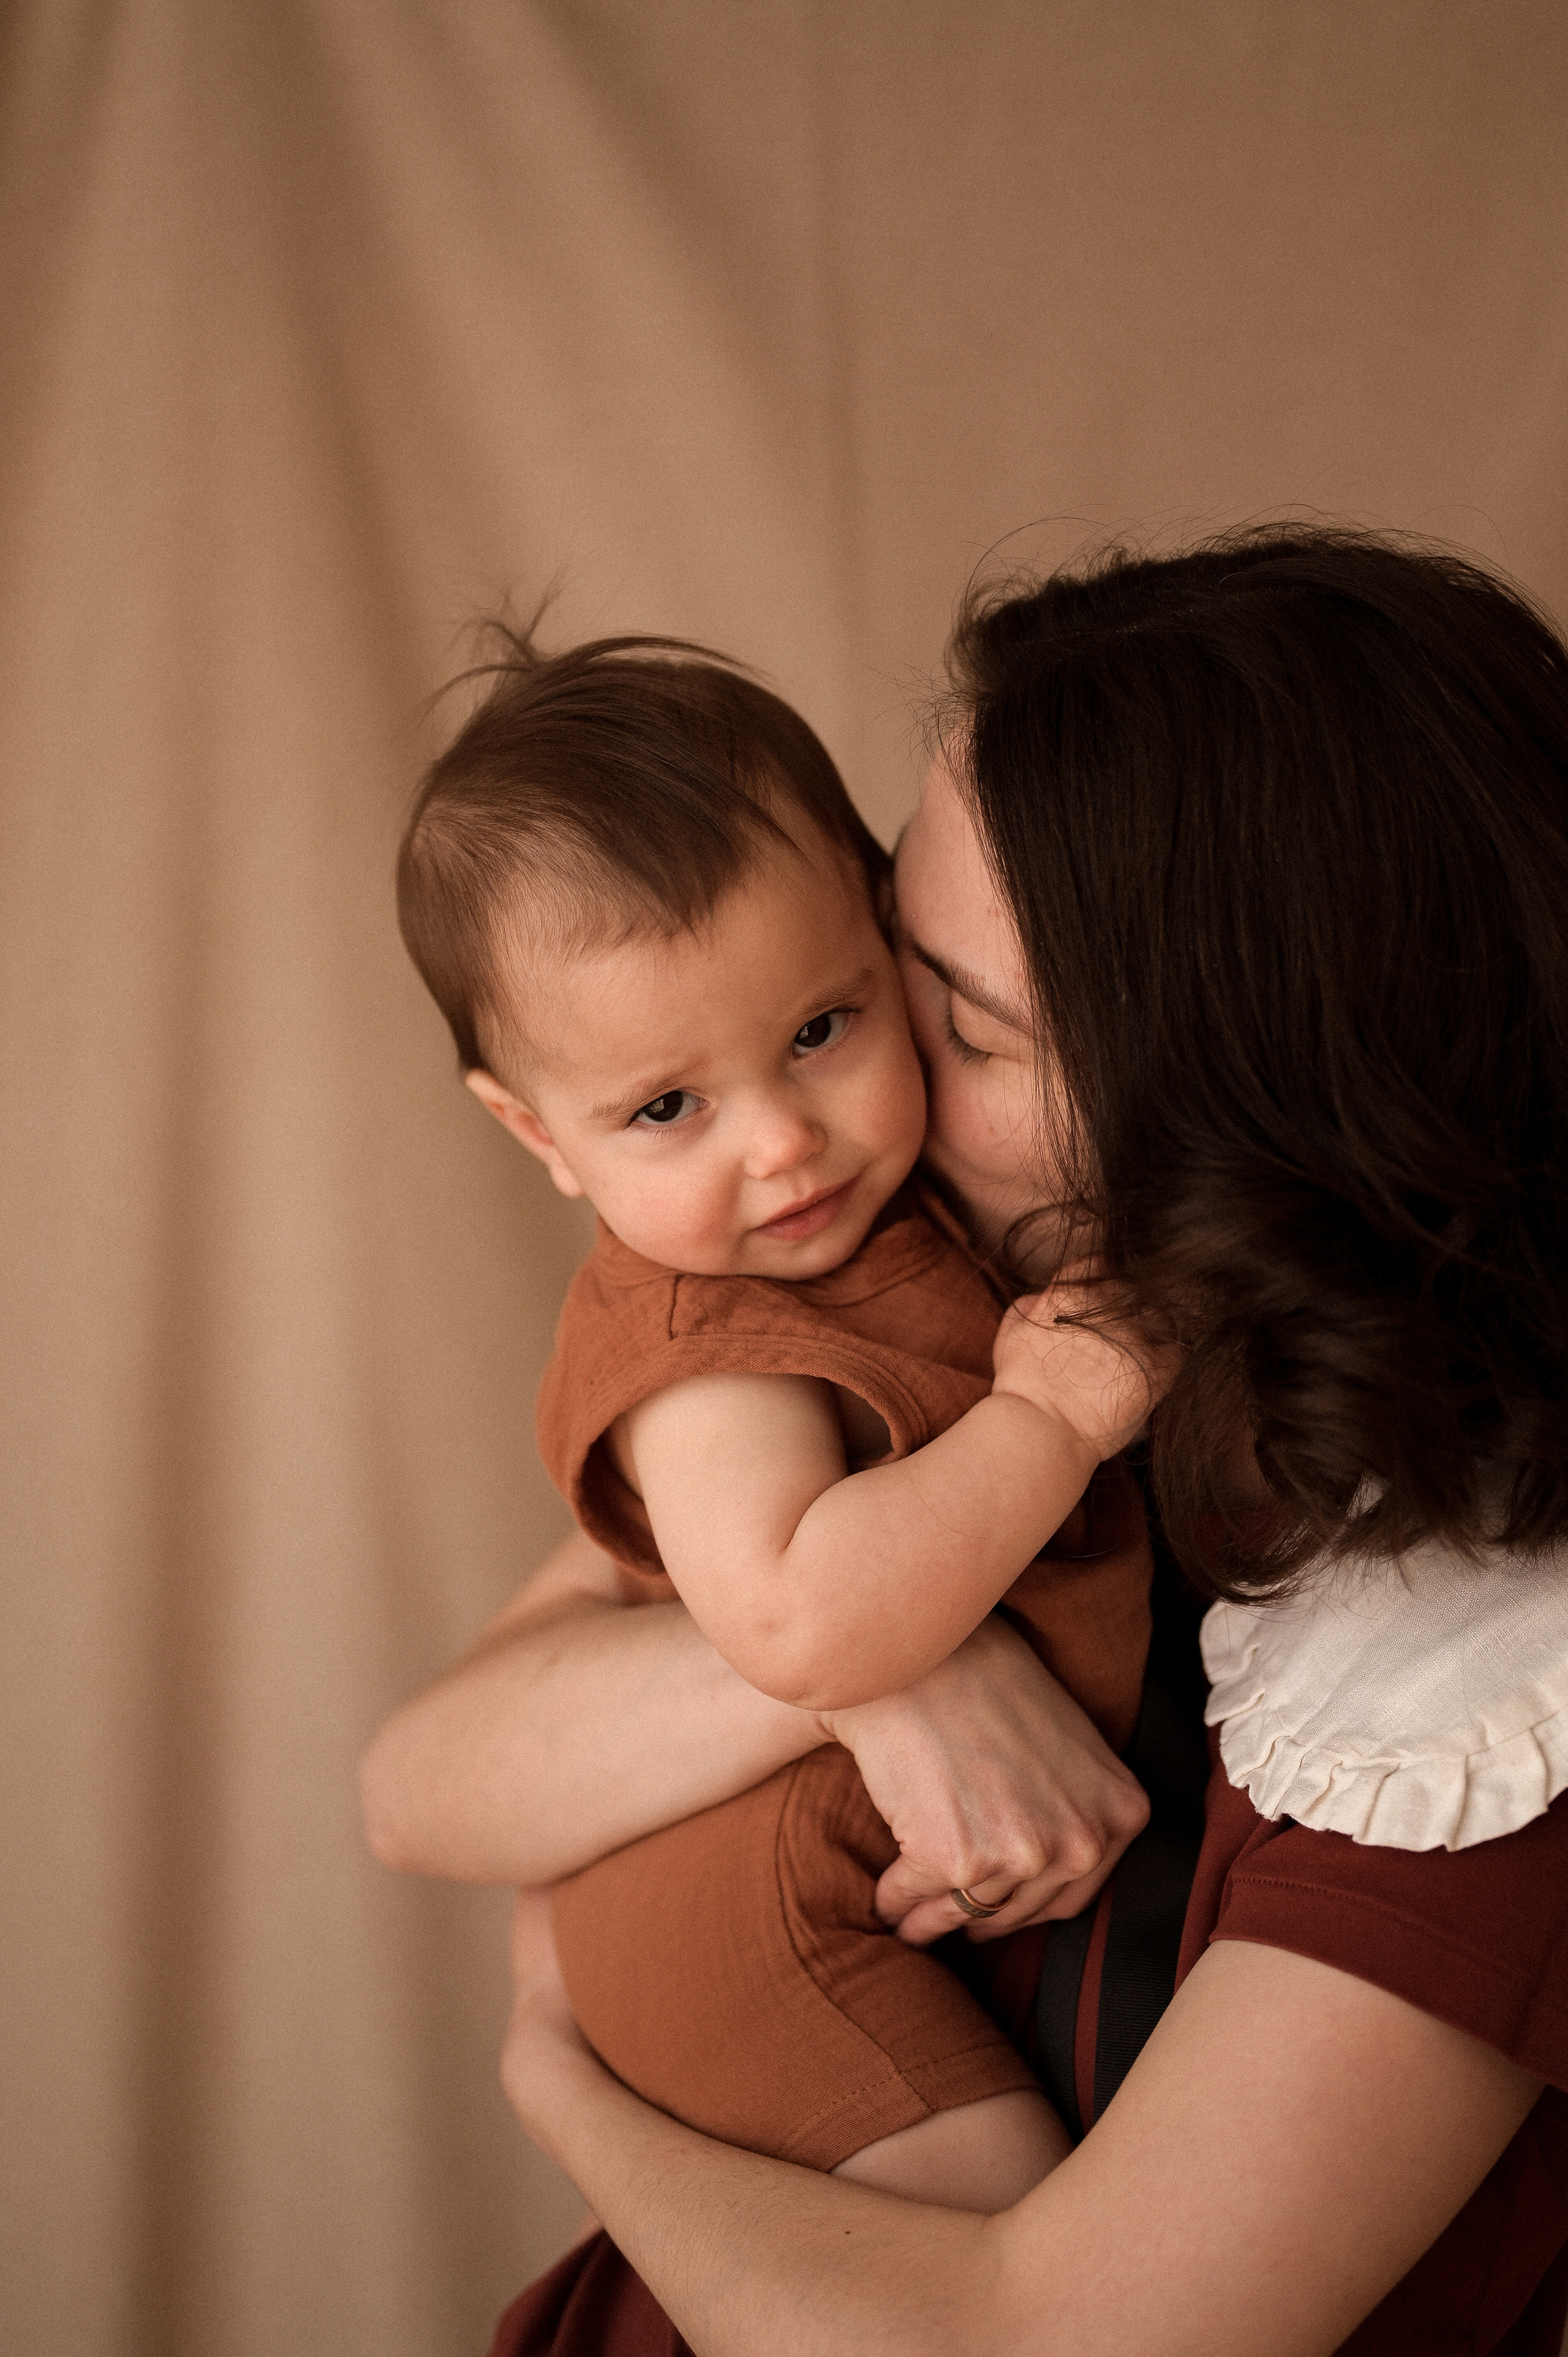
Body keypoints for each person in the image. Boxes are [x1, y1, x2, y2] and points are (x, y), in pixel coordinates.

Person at [363, 526, 1568, 2355]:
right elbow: (430, 1773)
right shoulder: (904, 1320)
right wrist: (873, 1667)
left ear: (1238, 1095)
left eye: (940, 1029)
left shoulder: (1474, 1698)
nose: (843, 1129)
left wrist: (564, 2090)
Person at [392, 636, 1156, 2207]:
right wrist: (1053, 1416)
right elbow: (798, 1617)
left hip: (852, 1896)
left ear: (883, 937)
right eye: (668, 1108)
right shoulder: (705, 1349)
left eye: (821, 1030)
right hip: (753, 1938)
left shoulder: (892, 1226)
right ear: (538, 1133)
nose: (785, 1143)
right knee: (1010, 2263)